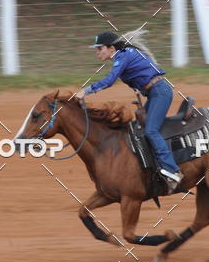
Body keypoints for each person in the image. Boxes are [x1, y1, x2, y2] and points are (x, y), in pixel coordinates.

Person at [75, 29, 184, 194]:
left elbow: (110, 81)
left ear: (111, 48)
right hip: (155, 93)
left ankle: (173, 171)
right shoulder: (124, 55)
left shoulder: (122, 56)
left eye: (99, 48)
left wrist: (87, 90)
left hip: (160, 93)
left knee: (151, 130)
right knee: (138, 128)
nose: (97, 53)